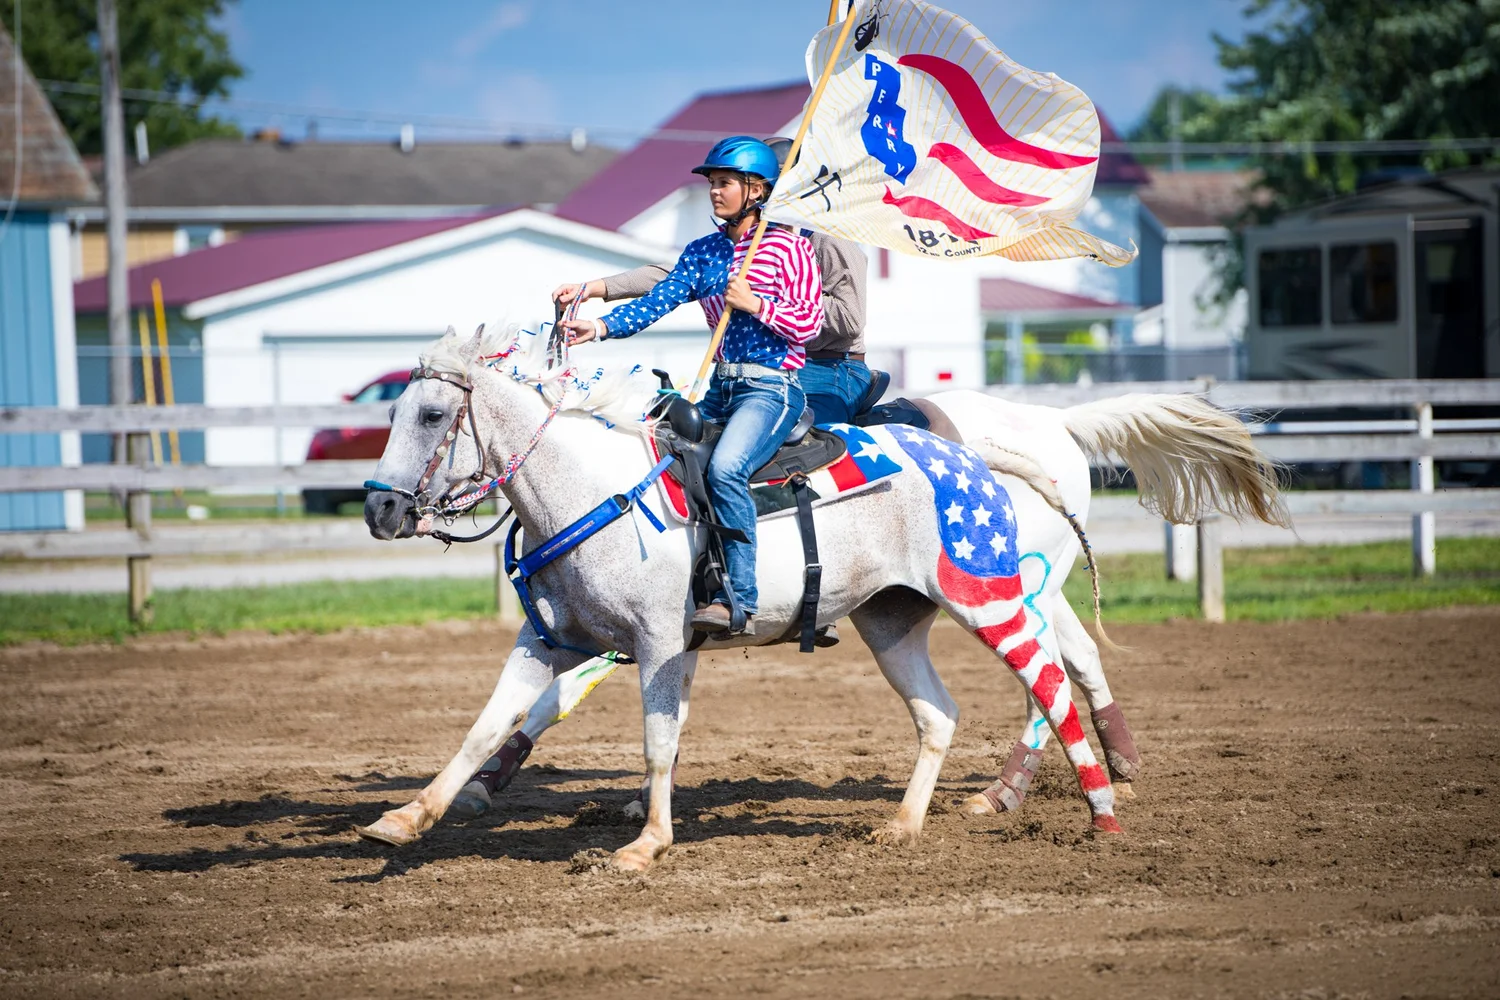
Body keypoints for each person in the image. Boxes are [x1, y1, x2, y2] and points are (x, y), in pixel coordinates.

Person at [557, 135, 823, 636]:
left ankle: (739, 599)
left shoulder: (792, 247)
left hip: (772, 389)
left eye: (725, 183)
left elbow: (810, 324)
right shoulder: (702, 252)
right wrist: (601, 326)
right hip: (720, 389)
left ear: (757, 190)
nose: (714, 192)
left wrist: (755, 305)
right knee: (656, 458)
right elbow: (656, 301)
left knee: (725, 470)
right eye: (712, 183)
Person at [555, 137, 874, 426]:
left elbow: (850, 320)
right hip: (755, 372)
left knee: (803, 437)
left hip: (831, 367)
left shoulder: (826, 238)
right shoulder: (740, 241)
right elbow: (676, 276)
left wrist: (764, 298)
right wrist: (596, 288)